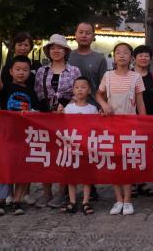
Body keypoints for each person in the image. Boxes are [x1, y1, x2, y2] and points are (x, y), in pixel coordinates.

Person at [95, 42, 147, 215]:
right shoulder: (108, 76)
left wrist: (145, 124)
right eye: (118, 52)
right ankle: (118, 200)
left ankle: (128, 200)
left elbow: (140, 103)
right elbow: (98, 94)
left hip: (130, 126)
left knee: (127, 163)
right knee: (114, 162)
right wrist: (103, 104)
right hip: (111, 125)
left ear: (131, 57)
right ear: (114, 56)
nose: (122, 55)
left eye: (125, 52)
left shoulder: (136, 77)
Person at [0, 55, 45, 216]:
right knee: (5, 166)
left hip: (25, 135)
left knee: (23, 167)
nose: (21, 73)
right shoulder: (6, 88)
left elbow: (38, 111)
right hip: (7, 134)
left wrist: (34, 113)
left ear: (30, 72)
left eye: (25, 70)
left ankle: (17, 200)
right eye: (17, 69)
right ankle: (1, 200)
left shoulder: (32, 92)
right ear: (10, 71)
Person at [34, 34, 81, 209]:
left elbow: (79, 92)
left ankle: (62, 192)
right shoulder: (41, 71)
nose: (56, 51)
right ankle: (46, 192)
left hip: (66, 118)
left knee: (63, 154)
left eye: (59, 48)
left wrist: (65, 106)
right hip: (46, 118)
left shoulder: (74, 71)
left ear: (65, 51)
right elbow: (37, 93)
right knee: (46, 154)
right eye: (52, 48)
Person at [67, 21, 108, 201]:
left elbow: (103, 87)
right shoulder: (68, 56)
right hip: (71, 111)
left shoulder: (99, 59)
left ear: (93, 36)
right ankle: (67, 189)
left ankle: (90, 187)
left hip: (92, 110)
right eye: (81, 32)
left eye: (88, 32)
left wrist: (102, 106)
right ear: (75, 34)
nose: (84, 35)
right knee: (70, 150)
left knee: (90, 151)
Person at [63, 77, 100, 215]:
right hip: (72, 146)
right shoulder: (68, 108)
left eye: (83, 87)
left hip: (87, 146)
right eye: (77, 87)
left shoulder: (92, 108)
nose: (80, 90)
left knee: (86, 174)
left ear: (89, 90)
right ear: (73, 90)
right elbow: (63, 125)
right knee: (71, 175)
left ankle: (85, 201)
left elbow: (96, 127)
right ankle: (72, 200)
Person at [132, 44, 153, 198]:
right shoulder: (129, 74)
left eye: (147, 56)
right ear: (134, 58)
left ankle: (141, 183)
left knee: (145, 152)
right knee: (131, 150)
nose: (144, 58)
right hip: (131, 119)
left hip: (149, 118)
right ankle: (131, 183)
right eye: (140, 55)